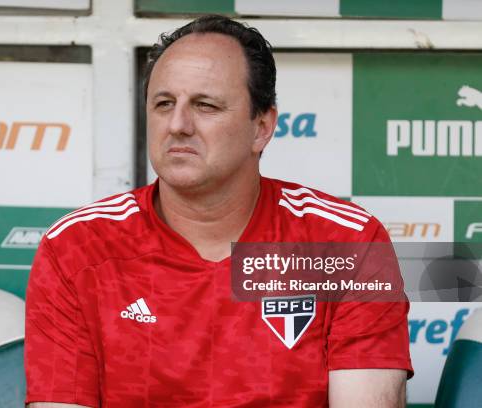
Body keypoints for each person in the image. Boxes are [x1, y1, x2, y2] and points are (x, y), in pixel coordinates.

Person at [25, 15, 412, 407]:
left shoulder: (346, 244)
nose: (177, 125)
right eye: (163, 104)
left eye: (205, 105)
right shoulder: (76, 247)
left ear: (261, 127)